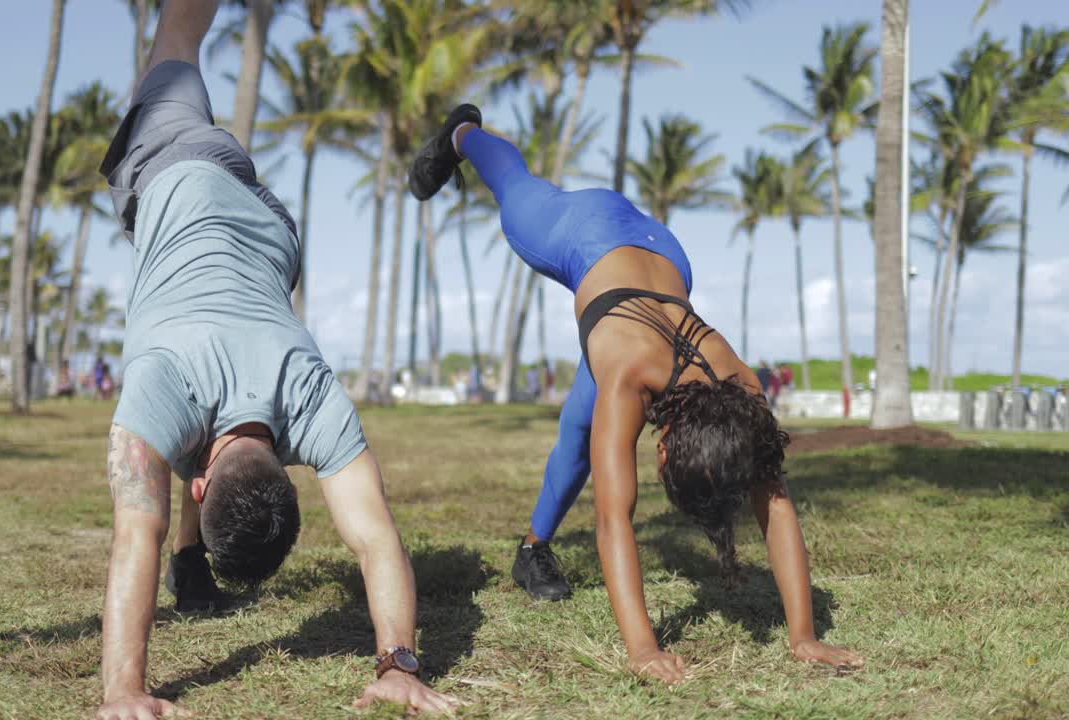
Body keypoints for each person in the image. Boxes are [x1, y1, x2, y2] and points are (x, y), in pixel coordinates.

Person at [409, 105, 862, 685]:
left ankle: (531, 551)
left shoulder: (741, 387)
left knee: (581, 432)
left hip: (661, 251)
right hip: (581, 231)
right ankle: (464, 133)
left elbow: (773, 500)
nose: (654, 458)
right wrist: (643, 648)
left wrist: (804, 637)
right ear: (671, 436)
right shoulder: (628, 373)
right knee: (517, 186)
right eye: (663, 460)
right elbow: (611, 519)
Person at [93, 3, 459, 717]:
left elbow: (377, 538)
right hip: (175, 169)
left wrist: (401, 664)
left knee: (181, 427)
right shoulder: (161, 384)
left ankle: (191, 572)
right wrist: (123, 691)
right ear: (198, 490)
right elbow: (136, 530)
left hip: (271, 230)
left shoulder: (313, 397)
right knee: (177, 39)